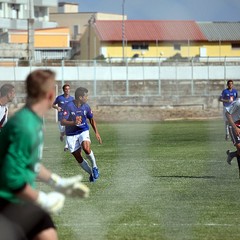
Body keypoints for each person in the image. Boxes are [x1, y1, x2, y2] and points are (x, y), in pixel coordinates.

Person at [0, 69, 89, 240]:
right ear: (50, 96)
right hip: (7, 201)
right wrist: (43, 199)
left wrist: (58, 182)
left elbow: (30, 163)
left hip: (20, 199)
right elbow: (11, 178)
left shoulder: (32, 120)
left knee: (48, 234)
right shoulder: (25, 126)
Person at [61, 87, 102, 182]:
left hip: (83, 130)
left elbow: (91, 119)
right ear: (80, 97)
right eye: (86, 96)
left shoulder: (86, 106)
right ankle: (91, 173)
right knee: (78, 157)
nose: (87, 98)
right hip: (71, 134)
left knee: (86, 148)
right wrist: (73, 123)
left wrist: (97, 133)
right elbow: (63, 122)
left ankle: (95, 167)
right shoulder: (68, 106)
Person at [52, 84, 74, 151]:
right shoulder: (59, 98)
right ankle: (61, 135)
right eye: (66, 89)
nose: (67, 90)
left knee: (67, 131)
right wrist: (57, 107)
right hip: (61, 117)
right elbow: (52, 104)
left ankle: (66, 145)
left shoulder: (72, 98)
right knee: (62, 132)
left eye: (68, 89)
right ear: (63, 90)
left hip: (68, 118)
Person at [225, 98, 240, 177]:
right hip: (234, 126)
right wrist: (235, 127)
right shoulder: (238, 102)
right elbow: (227, 113)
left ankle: (232, 154)